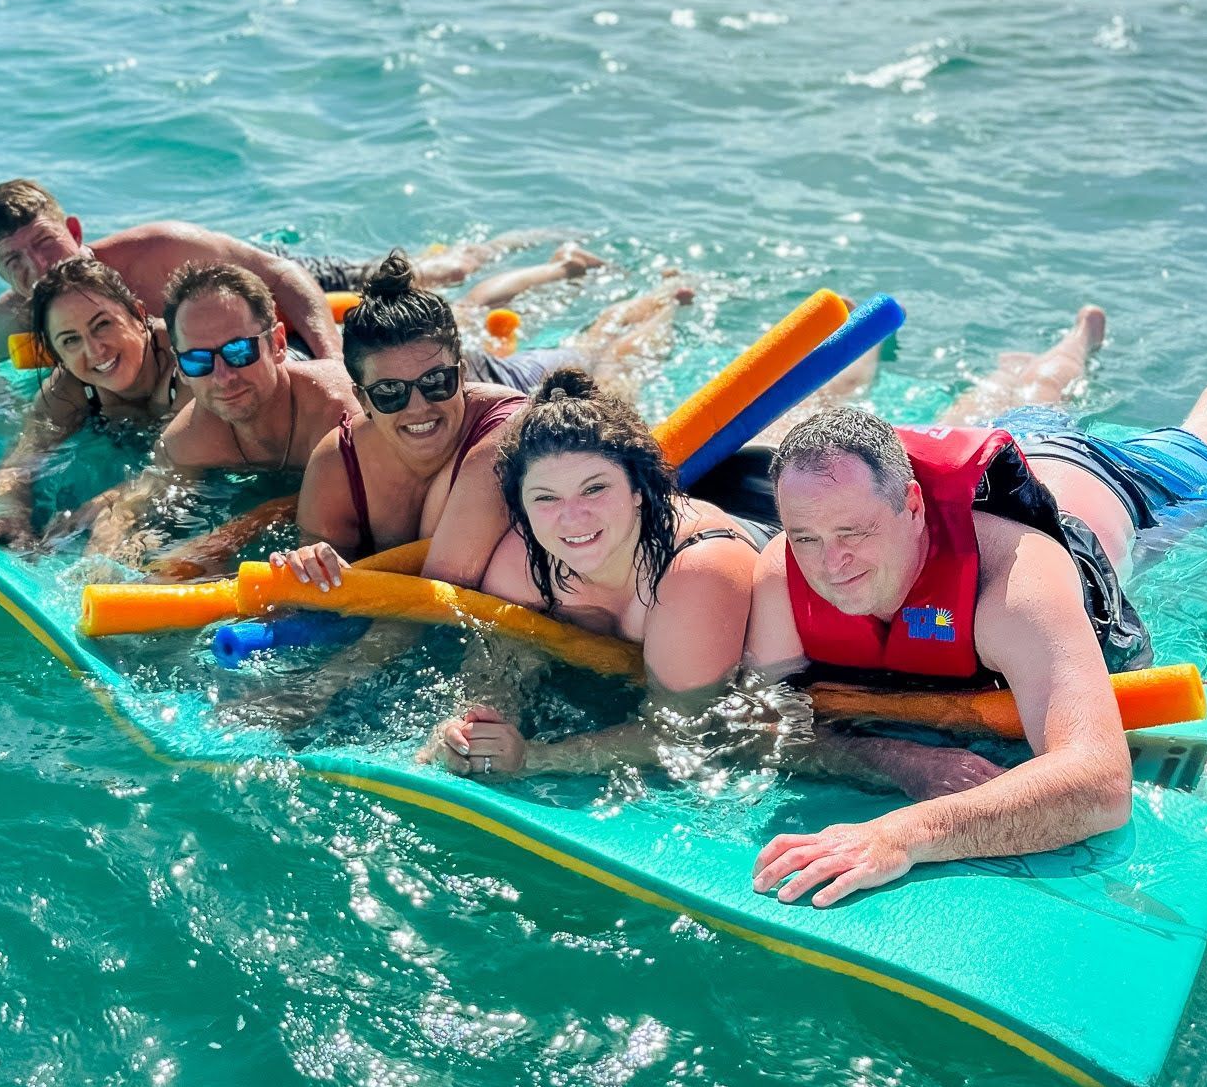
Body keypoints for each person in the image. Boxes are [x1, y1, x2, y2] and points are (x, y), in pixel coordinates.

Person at [746, 320, 1207, 909]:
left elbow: (1099, 784)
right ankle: (1077, 338)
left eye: (853, 533)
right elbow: (761, 723)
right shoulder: (783, 572)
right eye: (806, 537)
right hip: (1017, 439)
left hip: (1112, 481)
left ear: (912, 506)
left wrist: (901, 836)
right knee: (1040, 394)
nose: (830, 564)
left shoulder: (1010, 583)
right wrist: (903, 761)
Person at [421, 367, 771, 781]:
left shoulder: (697, 573)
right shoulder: (525, 558)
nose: (572, 518)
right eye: (546, 498)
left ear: (638, 489)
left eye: (594, 489)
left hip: (763, 503)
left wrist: (535, 759)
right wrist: (469, 730)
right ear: (523, 508)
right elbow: (498, 671)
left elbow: (686, 728)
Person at [283, 251, 699, 592]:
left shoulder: (501, 440)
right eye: (390, 392)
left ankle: (663, 301)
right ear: (362, 399)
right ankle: (567, 266)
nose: (418, 407)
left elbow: (443, 590)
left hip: (536, 385)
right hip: (474, 372)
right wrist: (312, 563)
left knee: (608, 358)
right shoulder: (339, 461)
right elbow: (318, 583)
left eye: (436, 383)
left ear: (462, 374)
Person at [82, 262, 359, 566]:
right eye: (198, 360)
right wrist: (112, 526)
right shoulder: (189, 438)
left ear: (277, 344)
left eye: (238, 351)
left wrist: (235, 533)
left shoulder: (339, 412)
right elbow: (148, 495)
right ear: (181, 368)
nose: (223, 377)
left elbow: (346, 504)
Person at [0, 258, 188, 547]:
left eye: (102, 324)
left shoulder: (191, 361)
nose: (94, 350)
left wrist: (116, 502)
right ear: (56, 353)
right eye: (70, 340)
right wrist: (9, 514)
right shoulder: (67, 390)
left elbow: (187, 468)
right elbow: (15, 467)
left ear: (138, 313)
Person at [0, 179, 344, 366]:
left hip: (297, 278)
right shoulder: (5, 324)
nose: (39, 266)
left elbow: (282, 275)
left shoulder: (162, 251)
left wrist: (333, 362)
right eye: (13, 260)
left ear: (75, 232)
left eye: (45, 242)